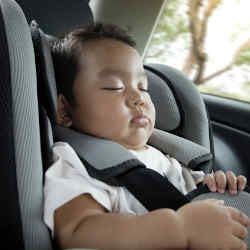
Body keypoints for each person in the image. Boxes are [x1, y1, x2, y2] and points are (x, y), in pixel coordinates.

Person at [44, 23, 250, 250]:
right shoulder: (74, 161)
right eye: (114, 87)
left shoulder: (165, 156)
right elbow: (76, 232)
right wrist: (179, 228)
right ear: (64, 110)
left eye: (143, 87)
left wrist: (214, 185)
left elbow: (189, 195)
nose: (138, 98)